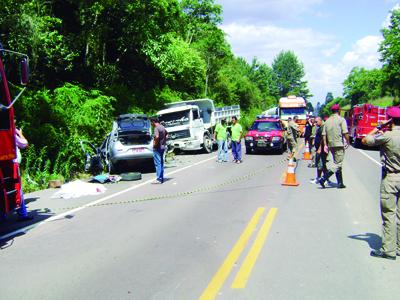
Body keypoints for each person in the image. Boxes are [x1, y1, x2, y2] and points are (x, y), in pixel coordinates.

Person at [362, 107, 400, 260]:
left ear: (390, 120)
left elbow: (365, 139)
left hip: (391, 178)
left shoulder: (387, 136)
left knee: (389, 214)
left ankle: (388, 250)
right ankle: (398, 246)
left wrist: (378, 127)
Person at [318, 104, 350, 189]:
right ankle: (323, 178)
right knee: (338, 164)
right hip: (339, 144)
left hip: (331, 144)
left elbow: (324, 134)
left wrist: (325, 145)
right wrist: (348, 141)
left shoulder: (327, 121)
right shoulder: (341, 119)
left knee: (337, 163)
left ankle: (340, 183)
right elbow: (345, 132)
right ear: (338, 111)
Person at [14, 127, 33, 221]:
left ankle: (2, 216)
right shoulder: (11, 133)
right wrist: (20, 133)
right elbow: (25, 144)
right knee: (18, 189)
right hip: (13, 164)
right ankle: (22, 213)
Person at [310, 117, 330, 184]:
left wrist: (320, 148)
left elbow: (323, 139)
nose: (315, 123)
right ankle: (326, 179)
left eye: (316, 121)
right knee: (323, 165)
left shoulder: (323, 128)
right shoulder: (320, 127)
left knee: (320, 164)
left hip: (321, 149)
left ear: (321, 120)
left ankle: (319, 178)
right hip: (320, 148)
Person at [150, 118, 168, 184]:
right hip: (162, 147)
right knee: (161, 162)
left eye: (151, 122)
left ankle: (159, 179)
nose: (151, 124)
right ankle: (161, 177)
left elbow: (157, 137)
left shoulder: (156, 128)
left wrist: (155, 144)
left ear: (154, 122)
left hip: (157, 148)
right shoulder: (162, 127)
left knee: (157, 163)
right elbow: (167, 134)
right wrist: (163, 142)